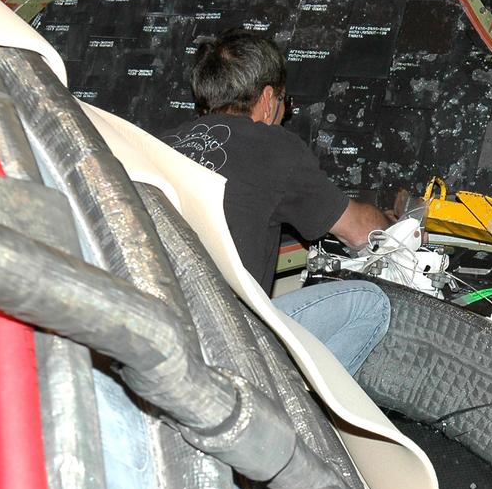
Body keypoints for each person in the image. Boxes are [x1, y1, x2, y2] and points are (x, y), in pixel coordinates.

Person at [162, 30, 391, 374]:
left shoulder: (162, 143)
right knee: (370, 304)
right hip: (225, 344)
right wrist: (392, 221)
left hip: (158, 333)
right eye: (287, 104)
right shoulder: (271, 146)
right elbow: (361, 232)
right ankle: (303, 419)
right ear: (269, 98)